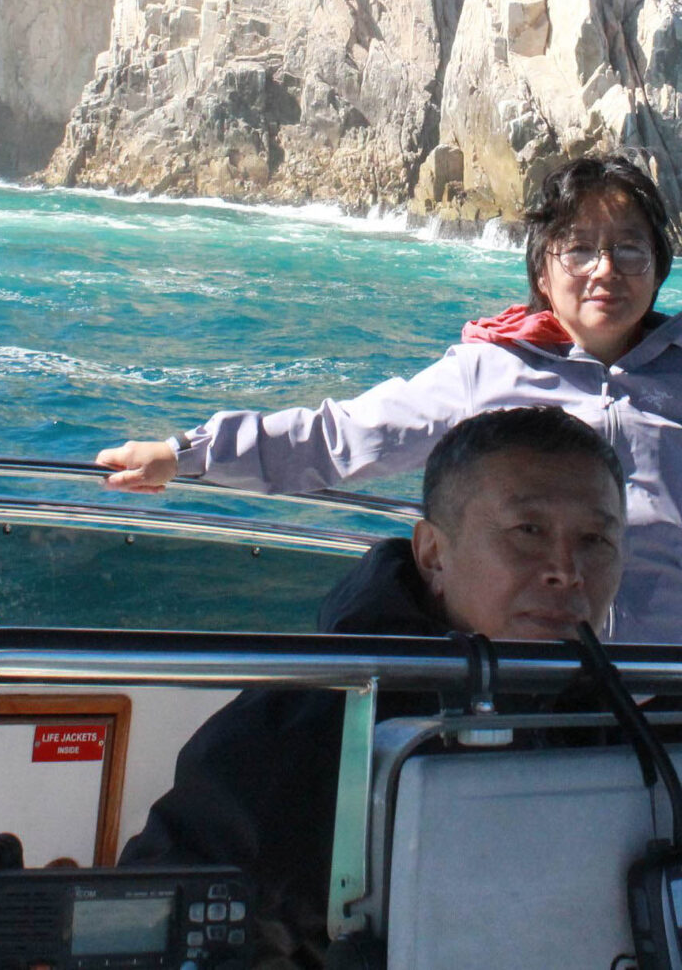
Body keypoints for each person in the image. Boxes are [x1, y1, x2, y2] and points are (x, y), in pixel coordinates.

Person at [97, 153, 682, 642]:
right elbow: (348, 436)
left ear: (660, 267)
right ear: (543, 270)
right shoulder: (488, 372)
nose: (607, 268)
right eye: (581, 248)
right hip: (520, 670)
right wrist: (191, 454)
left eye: (630, 248)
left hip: (662, 680)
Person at [118, 406, 629, 967]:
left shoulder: (621, 729)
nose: (567, 569)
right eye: (528, 530)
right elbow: (158, 928)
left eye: (595, 540)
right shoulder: (305, 725)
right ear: (434, 553)